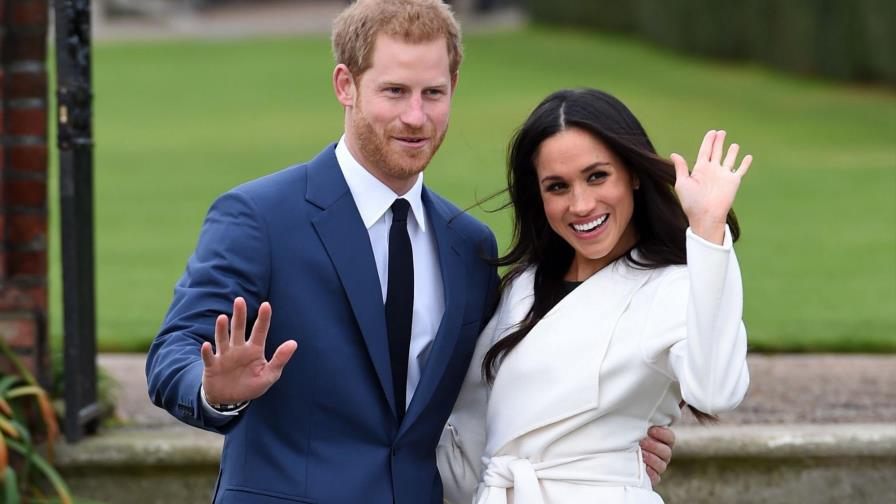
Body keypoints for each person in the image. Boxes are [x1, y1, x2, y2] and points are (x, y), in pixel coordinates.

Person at [145, 2, 673, 503]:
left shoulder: (469, 245)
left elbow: (495, 390)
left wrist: (604, 441)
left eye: (432, 93)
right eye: (394, 91)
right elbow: (173, 351)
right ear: (345, 85)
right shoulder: (260, 216)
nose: (416, 117)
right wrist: (217, 392)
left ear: (454, 88)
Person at [437, 88, 752, 504]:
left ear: (633, 173)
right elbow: (474, 425)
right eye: (557, 186)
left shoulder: (673, 286)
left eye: (597, 176)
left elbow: (717, 391)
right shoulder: (522, 286)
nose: (581, 204)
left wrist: (708, 232)